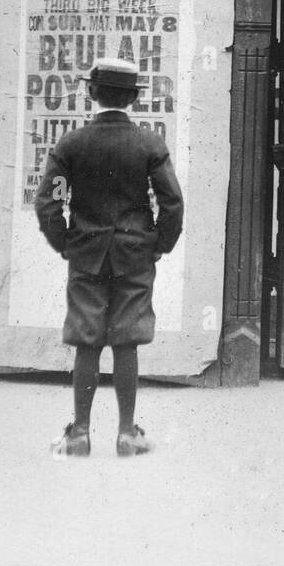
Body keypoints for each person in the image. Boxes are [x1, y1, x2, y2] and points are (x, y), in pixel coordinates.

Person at [34, 57, 184, 457]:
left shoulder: (71, 144)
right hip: (135, 254)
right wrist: (159, 244)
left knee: (87, 339)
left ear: (91, 92)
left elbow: (49, 203)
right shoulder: (149, 144)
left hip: (86, 254)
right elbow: (172, 203)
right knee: (126, 340)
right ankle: (126, 434)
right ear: (132, 99)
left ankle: (80, 433)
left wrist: (66, 243)